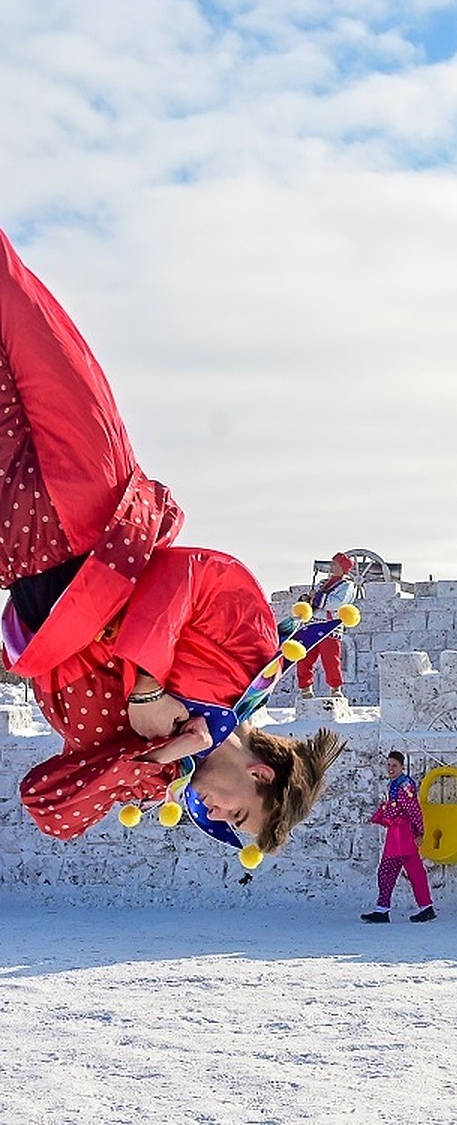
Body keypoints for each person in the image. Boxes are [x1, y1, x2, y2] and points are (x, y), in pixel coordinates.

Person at [1, 225, 346, 862]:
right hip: (91, 499)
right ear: (260, 776)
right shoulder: (249, 659)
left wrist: (156, 755)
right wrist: (146, 689)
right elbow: (187, 574)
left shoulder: (143, 764)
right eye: (235, 815)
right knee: (15, 304)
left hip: (18, 545)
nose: (213, 818)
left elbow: (46, 805)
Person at [362, 751, 436, 924]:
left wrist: (420, 832)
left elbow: (413, 810)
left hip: (401, 835)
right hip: (402, 834)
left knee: (387, 871)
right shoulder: (398, 783)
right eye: (388, 765)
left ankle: (383, 909)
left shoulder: (403, 785)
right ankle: (426, 907)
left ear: (402, 766)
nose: (390, 768)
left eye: (394, 765)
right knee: (415, 871)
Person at [296, 552, 356, 698]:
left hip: (330, 627)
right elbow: (315, 601)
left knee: (330, 659)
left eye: (335, 564)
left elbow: (335, 603)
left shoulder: (347, 586)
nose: (331, 567)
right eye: (332, 564)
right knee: (304, 656)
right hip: (313, 624)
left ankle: (335, 689)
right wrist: (307, 599)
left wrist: (315, 597)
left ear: (343, 567)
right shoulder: (322, 583)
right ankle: (305, 689)